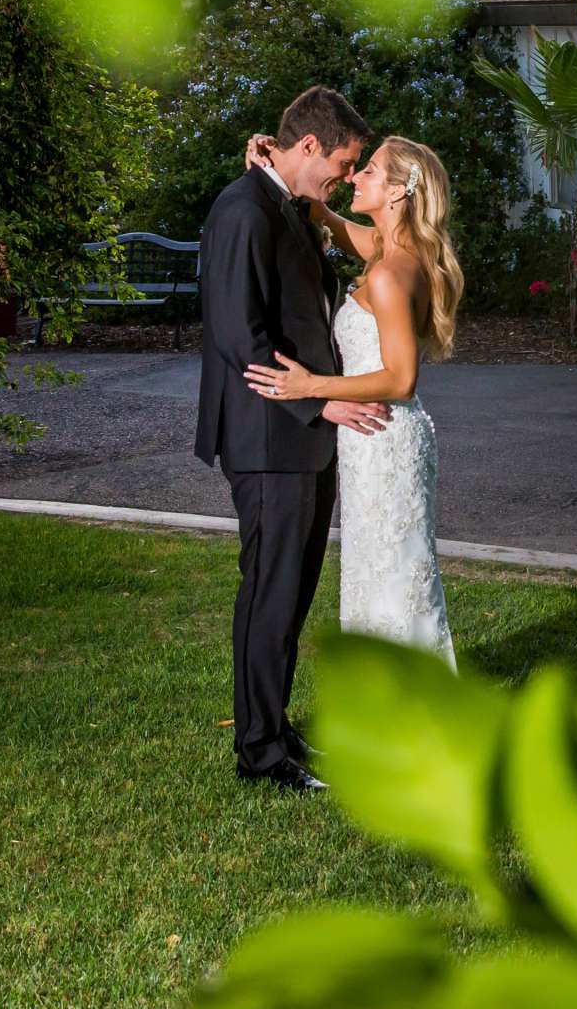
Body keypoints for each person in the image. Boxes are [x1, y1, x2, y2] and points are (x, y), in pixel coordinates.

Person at [195, 86, 389, 794]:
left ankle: (271, 725)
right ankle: (261, 753)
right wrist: (322, 405)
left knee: (290, 594)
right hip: (272, 437)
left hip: (301, 437)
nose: (343, 174)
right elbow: (240, 337)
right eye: (342, 161)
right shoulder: (244, 211)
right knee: (271, 596)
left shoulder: (291, 206)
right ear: (307, 146)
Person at [240, 133, 463, 671]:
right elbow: (328, 219)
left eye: (369, 172)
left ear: (397, 194)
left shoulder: (389, 272)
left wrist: (310, 386)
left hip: (384, 437)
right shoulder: (389, 250)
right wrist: (274, 165)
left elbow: (400, 379)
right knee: (379, 574)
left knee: (391, 579)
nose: (354, 177)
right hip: (378, 440)